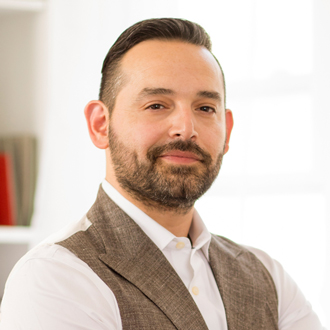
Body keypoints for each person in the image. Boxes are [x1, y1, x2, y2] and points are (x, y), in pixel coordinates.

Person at [0, 18, 325, 330]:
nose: (186, 128)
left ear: (227, 132)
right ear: (100, 124)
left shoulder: (268, 275)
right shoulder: (55, 277)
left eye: (205, 108)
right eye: (157, 105)